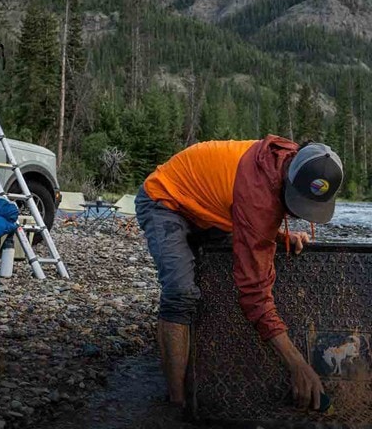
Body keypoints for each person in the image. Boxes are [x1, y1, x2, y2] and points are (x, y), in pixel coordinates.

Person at [135, 136, 343, 411]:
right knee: (181, 293)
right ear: (290, 179)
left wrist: (278, 237)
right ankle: (176, 404)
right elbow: (254, 295)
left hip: (212, 208)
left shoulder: (294, 158)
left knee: (219, 278)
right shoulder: (259, 197)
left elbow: (251, 217)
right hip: (165, 200)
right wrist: (297, 365)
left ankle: (201, 353)